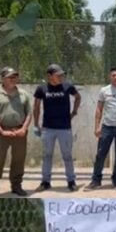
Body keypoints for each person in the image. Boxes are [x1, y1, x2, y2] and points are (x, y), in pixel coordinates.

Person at [0, 66, 32, 198]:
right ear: (3, 79)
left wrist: (24, 129)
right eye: (10, 77)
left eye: (15, 76)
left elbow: (29, 114)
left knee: (19, 160)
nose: (13, 79)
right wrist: (1, 131)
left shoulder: (24, 94)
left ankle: (16, 186)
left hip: (20, 132)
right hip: (2, 132)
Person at [33, 64, 81, 192]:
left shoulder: (67, 86)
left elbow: (77, 97)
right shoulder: (41, 88)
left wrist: (74, 112)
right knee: (47, 155)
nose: (61, 77)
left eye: (62, 74)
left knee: (67, 155)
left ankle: (71, 181)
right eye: (58, 75)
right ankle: (45, 182)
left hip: (65, 128)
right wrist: (36, 124)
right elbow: (36, 107)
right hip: (47, 128)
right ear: (49, 76)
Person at [85, 66, 116, 191]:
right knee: (100, 155)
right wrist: (97, 127)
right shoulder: (104, 91)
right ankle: (96, 181)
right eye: (113, 75)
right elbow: (99, 109)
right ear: (110, 76)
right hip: (106, 127)